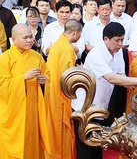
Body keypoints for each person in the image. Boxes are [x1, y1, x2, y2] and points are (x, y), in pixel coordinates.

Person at [72, 22, 137, 159]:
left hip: (101, 106)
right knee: (87, 148)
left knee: (98, 145)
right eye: (117, 40)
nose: (120, 44)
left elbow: (121, 77)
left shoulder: (118, 53)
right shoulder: (96, 54)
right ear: (106, 39)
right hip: (85, 107)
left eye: (122, 40)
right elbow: (111, 78)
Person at [0, 23, 51, 158]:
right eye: (25, 37)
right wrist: (23, 78)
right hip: (13, 113)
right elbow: (1, 85)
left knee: (31, 145)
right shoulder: (5, 59)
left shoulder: (36, 56)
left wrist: (44, 81)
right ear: (13, 39)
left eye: (31, 36)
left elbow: (48, 76)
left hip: (32, 110)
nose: (30, 40)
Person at [46, 20, 82, 159]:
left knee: (54, 130)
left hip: (53, 93)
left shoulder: (57, 44)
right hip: (61, 96)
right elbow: (68, 77)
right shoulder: (67, 48)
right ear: (75, 32)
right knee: (60, 132)